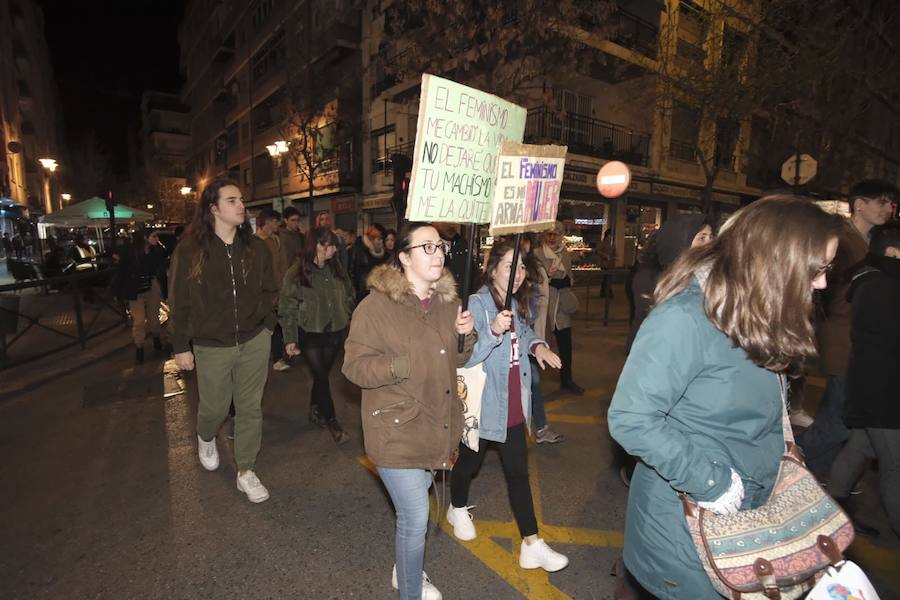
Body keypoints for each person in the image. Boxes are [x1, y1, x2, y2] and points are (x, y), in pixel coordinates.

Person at [607, 196, 842, 598]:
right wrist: (711, 482)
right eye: (816, 269)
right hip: (688, 529)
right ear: (774, 260)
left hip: (746, 516)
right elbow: (631, 417)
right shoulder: (685, 318)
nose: (822, 283)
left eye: (827, 270)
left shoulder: (758, 312)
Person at [342, 223, 475, 600]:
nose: (438, 253)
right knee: (415, 517)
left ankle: (404, 570)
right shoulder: (375, 307)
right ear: (403, 257)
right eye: (427, 247)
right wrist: (399, 365)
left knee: (414, 512)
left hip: (436, 425)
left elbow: (459, 359)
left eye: (440, 247)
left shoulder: (448, 303)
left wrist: (465, 335)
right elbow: (353, 367)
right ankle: (411, 592)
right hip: (395, 428)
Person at [447, 237, 569, 574]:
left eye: (520, 267)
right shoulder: (477, 304)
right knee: (468, 463)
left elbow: (524, 333)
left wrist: (538, 346)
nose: (517, 274)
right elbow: (466, 357)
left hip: (514, 401)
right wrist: (492, 331)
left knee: (518, 473)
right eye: (509, 267)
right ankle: (457, 506)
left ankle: (531, 544)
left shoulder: (512, 302)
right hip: (486, 404)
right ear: (492, 270)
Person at [169, 177, 278, 504]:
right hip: (211, 344)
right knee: (214, 407)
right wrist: (180, 345)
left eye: (241, 199)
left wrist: (267, 325)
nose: (241, 205)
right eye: (232, 200)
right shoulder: (190, 250)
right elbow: (179, 300)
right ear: (213, 208)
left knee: (249, 407)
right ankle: (205, 435)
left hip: (254, 340)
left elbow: (270, 290)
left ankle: (246, 470)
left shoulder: (256, 248)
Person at [798, 179, 898, 478]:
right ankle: (792, 463)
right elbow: (830, 295)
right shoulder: (841, 240)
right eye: (880, 201)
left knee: (850, 423)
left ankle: (821, 478)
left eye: (890, 202)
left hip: (864, 343)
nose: (887, 208)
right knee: (839, 420)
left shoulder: (873, 239)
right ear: (859, 205)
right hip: (843, 340)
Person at [828, 222, 900, 539]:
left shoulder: (875, 280)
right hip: (883, 391)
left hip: (875, 387)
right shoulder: (881, 286)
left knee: (860, 448)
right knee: (895, 465)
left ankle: (834, 510)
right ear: (893, 252)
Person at [278, 227, 355, 444]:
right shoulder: (297, 272)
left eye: (334, 246)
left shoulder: (337, 269)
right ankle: (332, 420)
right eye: (330, 245)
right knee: (321, 375)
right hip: (309, 333)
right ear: (317, 245)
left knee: (322, 375)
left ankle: (315, 406)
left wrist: (346, 312)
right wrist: (290, 338)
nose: (334, 250)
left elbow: (350, 293)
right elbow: (287, 307)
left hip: (335, 332)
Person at [626, 213, 712, 354]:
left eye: (710, 237)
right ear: (681, 243)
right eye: (702, 238)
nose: (709, 244)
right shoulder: (653, 279)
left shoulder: (704, 275)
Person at [521, 233, 564, 444]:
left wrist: (538, 343)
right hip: (506, 339)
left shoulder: (533, 266)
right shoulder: (498, 273)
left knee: (533, 381)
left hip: (527, 331)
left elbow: (536, 305)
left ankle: (541, 428)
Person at [536, 222, 583, 395]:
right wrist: (549, 279)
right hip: (543, 307)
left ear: (561, 236)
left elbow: (570, 276)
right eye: (548, 234)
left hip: (561, 307)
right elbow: (533, 279)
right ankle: (532, 383)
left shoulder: (565, 254)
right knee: (537, 343)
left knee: (565, 346)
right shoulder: (537, 254)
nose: (551, 238)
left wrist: (566, 281)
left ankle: (567, 380)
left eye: (555, 234)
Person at [113, 230, 168, 363]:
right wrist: (117, 292)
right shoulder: (131, 252)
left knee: (154, 317)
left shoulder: (155, 250)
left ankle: (157, 340)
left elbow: (161, 265)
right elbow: (122, 271)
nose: (157, 238)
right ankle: (139, 348)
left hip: (151, 286)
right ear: (145, 237)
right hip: (136, 289)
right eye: (154, 236)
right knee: (139, 320)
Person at [256, 208, 291, 372]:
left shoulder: (277, 240)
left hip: (279, 291)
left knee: (278, 324)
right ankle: (270, 357)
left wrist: (285, 286)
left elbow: (283, 265)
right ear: (268, 222)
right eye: (276, 221)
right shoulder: (256, 241)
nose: (279, 224)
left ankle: (278, 356)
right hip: (262, 293)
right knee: (265, 326)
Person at [433, 222, 477, 294]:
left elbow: (473, 278)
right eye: (447, 220)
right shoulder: (428, 248)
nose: (451, 224)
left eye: (455, 221)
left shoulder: (463, 245)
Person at [349, 222, 389, 302]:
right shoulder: (357, 250)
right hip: (362, 293)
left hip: (379, 292)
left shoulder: (386, 254)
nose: (381, 242)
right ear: (371, 238)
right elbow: (351, 272)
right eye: (378, 239)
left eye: (382, 239)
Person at [598, 228, 617, 298]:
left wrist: (615, 257)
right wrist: (605, 256)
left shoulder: (612, 243)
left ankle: (606, 292)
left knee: (608, 278)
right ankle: (606, 292)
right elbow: (598, 251)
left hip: (610, 263)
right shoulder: (604, 242)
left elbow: (614, 252)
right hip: (605, 263)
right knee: (606, 278)